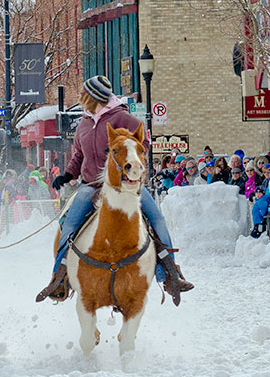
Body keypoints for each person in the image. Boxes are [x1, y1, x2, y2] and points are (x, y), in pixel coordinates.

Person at [36, 75, 193, 303]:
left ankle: (169, 274)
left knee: (156, 218)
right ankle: (59, 279)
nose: (81, 98)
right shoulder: (84, 123)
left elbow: (143, 144)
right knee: (68, 223)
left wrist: (130, 164)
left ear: (94, 97)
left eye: (84, 94)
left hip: (125, 187)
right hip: (92, 185)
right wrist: (68, 174)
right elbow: (78, 154)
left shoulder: (123, 119)